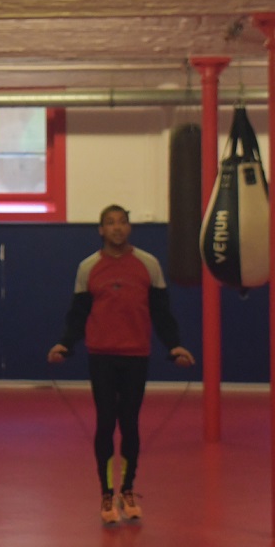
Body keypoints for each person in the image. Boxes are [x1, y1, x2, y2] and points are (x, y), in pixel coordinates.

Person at [47, 204, 195, 525]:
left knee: (129, 423)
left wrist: (174, 346)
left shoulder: (148, 265)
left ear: (129, 228)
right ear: (101, 230)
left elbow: (161, 313)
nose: (117, 227)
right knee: (105, 423)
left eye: (122, 222)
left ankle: (127, 490)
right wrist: (65, 344)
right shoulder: (88, 267)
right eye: (110, 223)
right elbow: (77, 314)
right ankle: (106, 492)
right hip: (101, 356)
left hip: (135, 356)